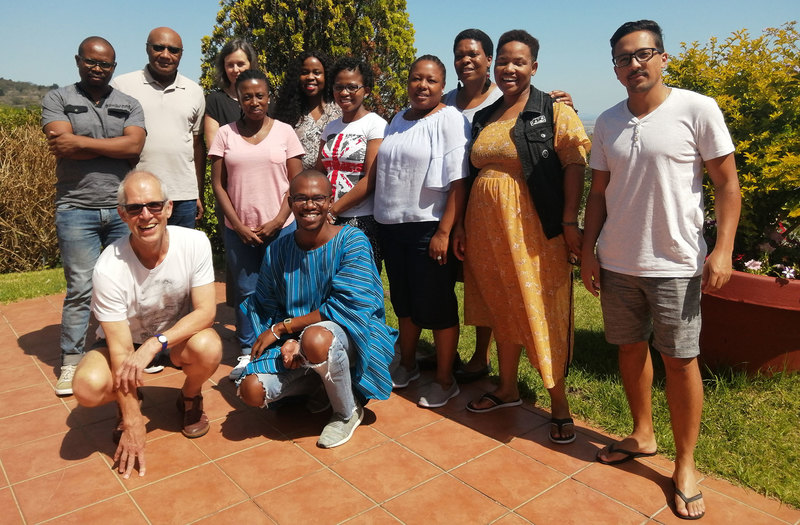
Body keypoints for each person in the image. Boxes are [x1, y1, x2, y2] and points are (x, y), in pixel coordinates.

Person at [581, 20, 741, 520]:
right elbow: (599, 194)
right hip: (619, 262)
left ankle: (686, 463)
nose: (635, 64)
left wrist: (724, 249)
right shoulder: (607, 122)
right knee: (629, 349)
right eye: (624, 58)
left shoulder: (697, 109)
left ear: (663, 57)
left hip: (675, 262)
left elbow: (728, 186)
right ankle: (643, 433)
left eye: (644, 54)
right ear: (615, 68)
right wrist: (588, 251)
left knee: (679, 360)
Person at [454, 30, 589, 448]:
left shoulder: (551, 110)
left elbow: (574, 163)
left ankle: (560, 404)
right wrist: (459, 225)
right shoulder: (486, 115)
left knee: (541, 309)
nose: (509, 69)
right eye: (504, 62)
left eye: (519, 62)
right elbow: (471, 173)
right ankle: (507, 388)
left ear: (534, 66)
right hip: (486, 232)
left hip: (534, 231)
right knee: (501, 304)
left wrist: (569, 220)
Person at [72, 171, 223, 479]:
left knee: (209, 346)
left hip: (174, 338)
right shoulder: (109, 267)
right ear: (122, 214)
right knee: (86, 387)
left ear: (168, 208)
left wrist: (157, 342)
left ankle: (190, 396)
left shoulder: (194, 242)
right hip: (127, 341)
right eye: (134, 208)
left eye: (154, 205)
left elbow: (207, 312)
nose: (146, 215)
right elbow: (120, 348)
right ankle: (129, 400)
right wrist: (133, 420)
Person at [237, 170, 395, 448]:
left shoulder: (352, 241)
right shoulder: (278, 250)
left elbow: (347, 307)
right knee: (251, 391)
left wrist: (287, 331)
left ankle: (347, 412)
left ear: (330, 200)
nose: (309, 206)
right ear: (290, 202)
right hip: (298, 341)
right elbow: (267, 305)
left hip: (351, 338)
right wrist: (286, 343)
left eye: (318, 198)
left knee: (316, 338)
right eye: (300, 199)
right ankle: (320, 383)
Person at [42, 36, 146, 396]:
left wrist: (81, 144)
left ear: (113, 67)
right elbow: (60, 145)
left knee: (129, 283)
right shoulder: (58, 98)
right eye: (92, 62)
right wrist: (112, 149)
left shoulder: (128, 103)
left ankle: (130, 352)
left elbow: (134, 146)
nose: (98, 69)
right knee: (80, 288)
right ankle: (71, 361)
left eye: (105, 64)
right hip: (76, 208)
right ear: (78, 61)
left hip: (121, 209)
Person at [375, 55, 469, 408]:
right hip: (391, 227)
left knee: (438, 304)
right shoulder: (398, 119)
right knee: (404, 302)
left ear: (442, 86)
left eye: (430, 80)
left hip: (427, 227)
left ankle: (445, 379)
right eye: (416, 78)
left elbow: (459, 180)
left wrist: (444, 232)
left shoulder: (449, 120)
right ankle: (409, 363)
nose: (422, 86)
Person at [209, 69, 304, 380]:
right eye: (246, 95)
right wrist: (236, 225)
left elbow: (297, 182)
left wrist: (279, 220)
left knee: (286, 288)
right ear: (238, 97)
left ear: (268, 97)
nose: (253, 101)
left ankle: (286, 344)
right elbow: (218, 185)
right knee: (248, 292)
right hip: (241, 231)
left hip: (283, 227)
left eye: (259, 95)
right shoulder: (225, 134)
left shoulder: (286, 132)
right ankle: (247, 350)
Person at [112, 27, 206, 229]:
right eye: (158, 48)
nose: (165, 55)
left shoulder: (194, 91)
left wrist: (197, 192)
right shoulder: (122, 86)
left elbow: (197, 145)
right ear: (147, 49)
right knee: (138, 256)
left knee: (180, 256)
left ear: (181, 54)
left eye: (173, 50)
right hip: (139, 195)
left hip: (183, 195)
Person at [316, 57, 387, 270]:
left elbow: (370, 179)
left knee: (358, 284)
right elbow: (321, 172)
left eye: (352, 87)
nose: (344, 93)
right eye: (339, 87)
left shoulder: (375, 125)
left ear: (366, 90)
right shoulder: (330, 128)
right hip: (327, 218)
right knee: (328, 281)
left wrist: (333, 210)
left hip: (360, 220)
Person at [272, 51, 341, 168]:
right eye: (304, 73)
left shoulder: (340, 110)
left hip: (335, 182)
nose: (310, 77)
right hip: (298, 183)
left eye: (317, 73)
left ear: (326, 76)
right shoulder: (286, 113)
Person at [203, 38, 258, 148]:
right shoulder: (215, 101)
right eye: (230, 65)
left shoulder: (266, 101)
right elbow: (214, 149)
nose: (235, 69)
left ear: (250, 64)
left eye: (240, 64)